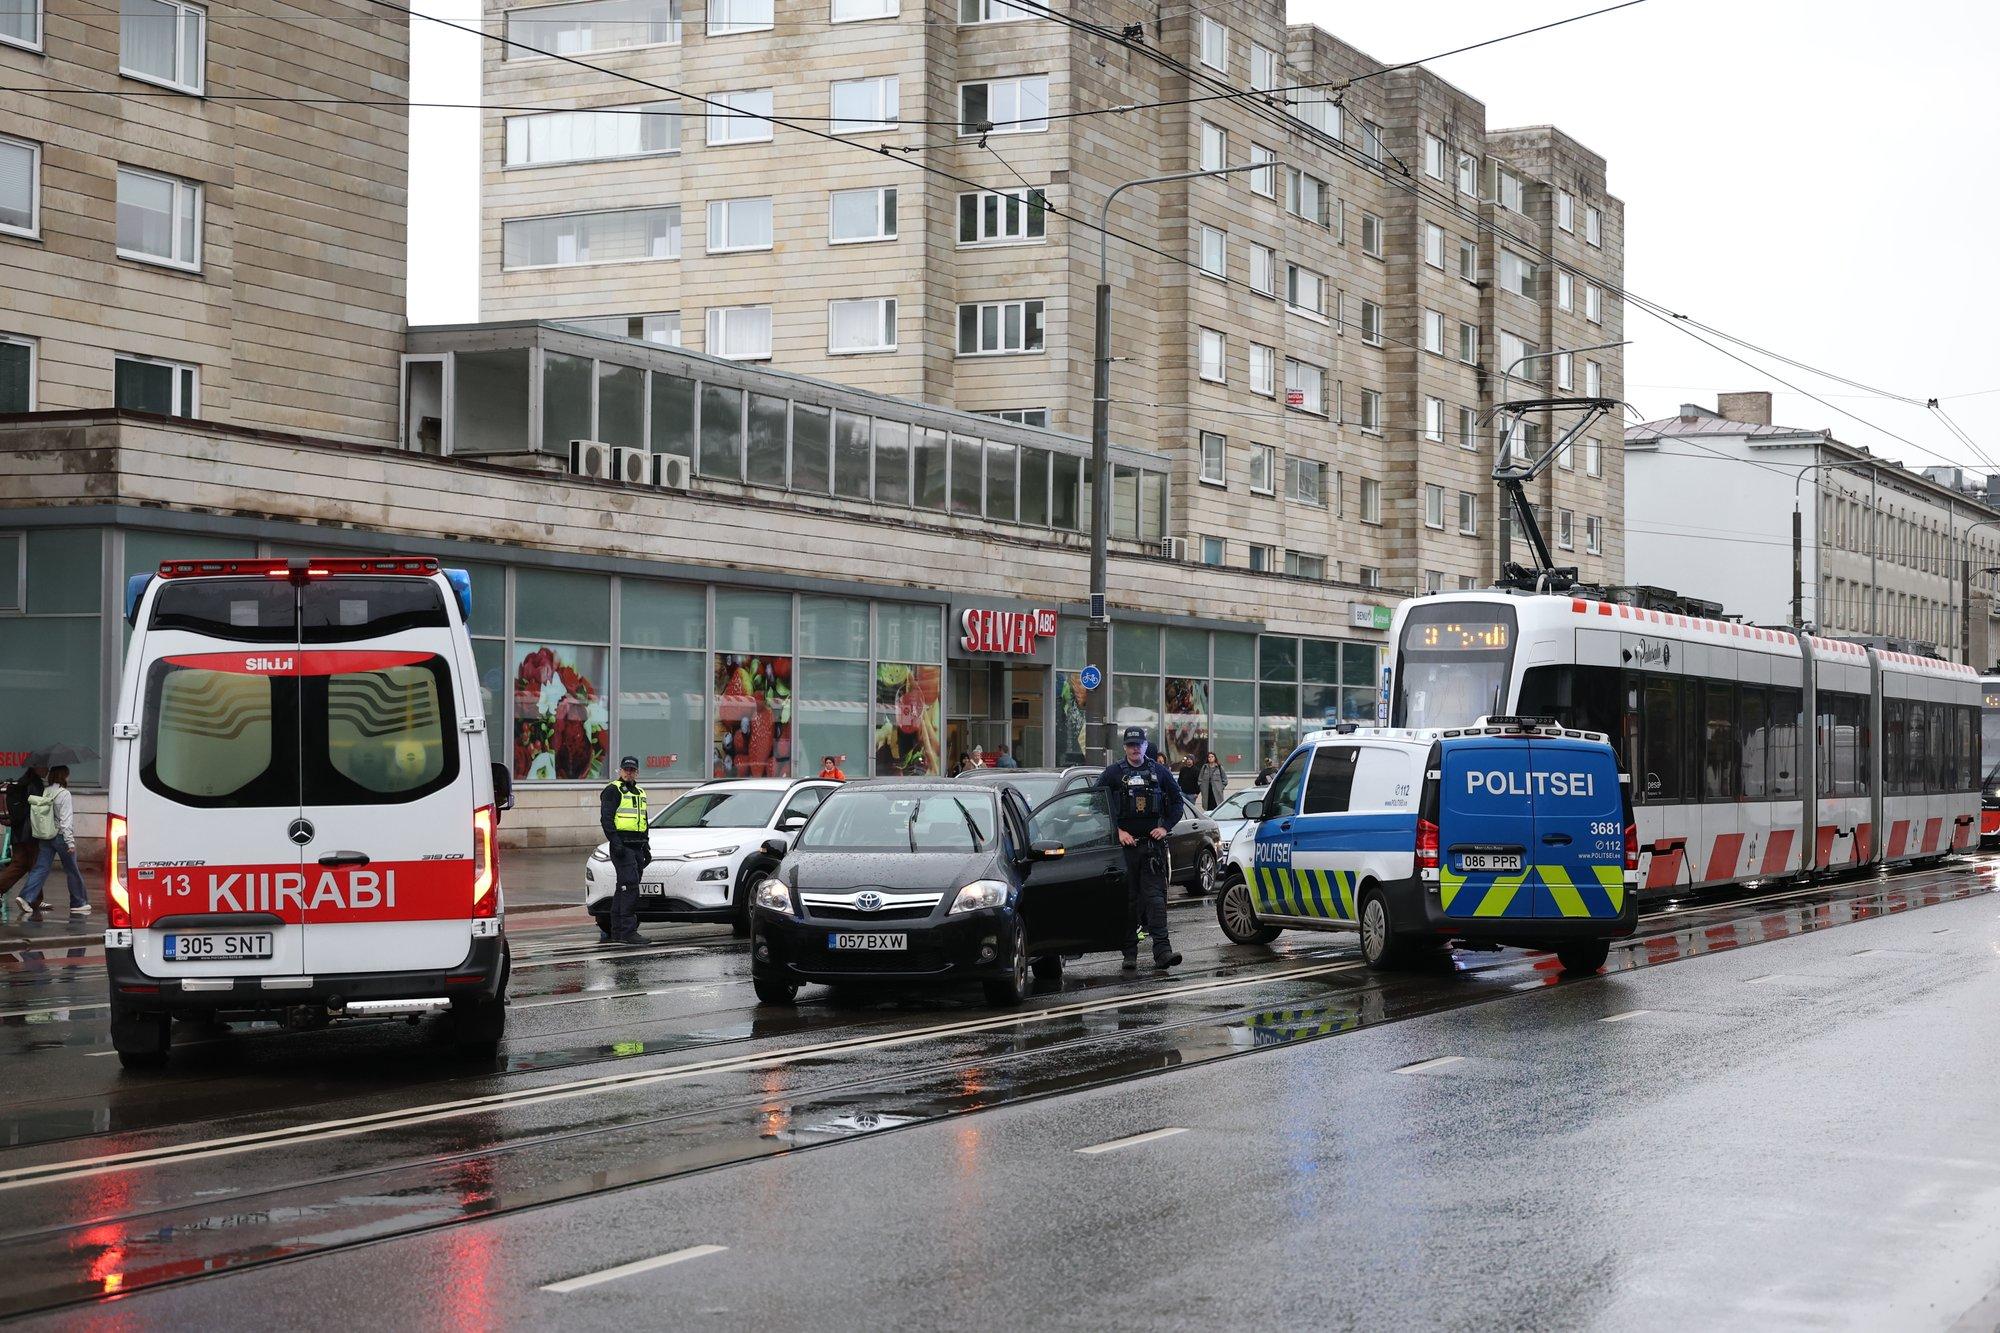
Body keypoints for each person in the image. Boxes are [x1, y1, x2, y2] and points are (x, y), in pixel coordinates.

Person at [1095, 727, 1185, 971]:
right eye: (1130, 745)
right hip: (1126, 850)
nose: (1135, 749)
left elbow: (1178, 803)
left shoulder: (1160, 772)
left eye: (1139, 745)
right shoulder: (1113, 773)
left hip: (1151, 848)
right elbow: (1096, 803)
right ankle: (1129, 953)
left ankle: (1163, 952)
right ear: (1124, 747)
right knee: (1129, 901)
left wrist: (1165, 827)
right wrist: (1118, 832)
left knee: (1156, 900)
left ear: (1146, 746)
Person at [17, 765, 87, 918]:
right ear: (64, 776)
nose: (69, 778)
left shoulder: (46, 791)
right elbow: (66, 820)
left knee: (40, 868)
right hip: (61, 836)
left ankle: (25, 897)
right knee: (72, 870)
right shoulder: (64, 794)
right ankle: (78, 903)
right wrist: (70, 842)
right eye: (68, 775)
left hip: (46, 836)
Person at [598, 756, 651, 946]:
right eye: (626, 769)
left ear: (637, 772)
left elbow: (643, 822)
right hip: (623, 846)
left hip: (637, 845)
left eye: (632, 770)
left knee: (624, 888)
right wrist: (615, 841)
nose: (629, 773)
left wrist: (646, 846)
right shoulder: (613, 790)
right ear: (620, 771)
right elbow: (606, 818)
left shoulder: (640, 792)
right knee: (630, 887)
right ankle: (627, 931)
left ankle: (618, 931)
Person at [0, 762, 45, 905]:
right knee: (34, 864)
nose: (48, 769)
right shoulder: (35, 784)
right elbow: (38, 809)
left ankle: (35, 898)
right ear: (37, 767)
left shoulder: (22, 782)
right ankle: (33, 899)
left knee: (21, 864)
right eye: (45, 766)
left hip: (18, 831)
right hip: (30, 832)